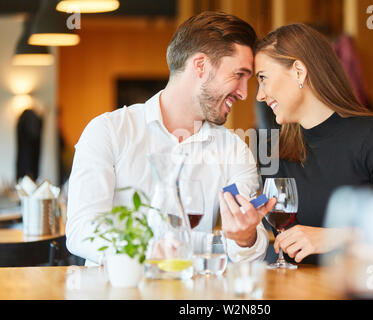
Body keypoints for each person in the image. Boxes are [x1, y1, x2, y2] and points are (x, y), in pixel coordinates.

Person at [66, 11, 276, 266]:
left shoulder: (234, 150)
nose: (244, 93)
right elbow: (81, 229)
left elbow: (247, 252)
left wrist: (245, 238)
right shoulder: (108, 131)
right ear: (200, 65)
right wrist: (146, 252)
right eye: (238, 75)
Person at [254, 23, 373, 265]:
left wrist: (336, 237)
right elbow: (286, 248)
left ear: (299, 71)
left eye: (263, 78)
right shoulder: (273, 153)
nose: (260, 95)